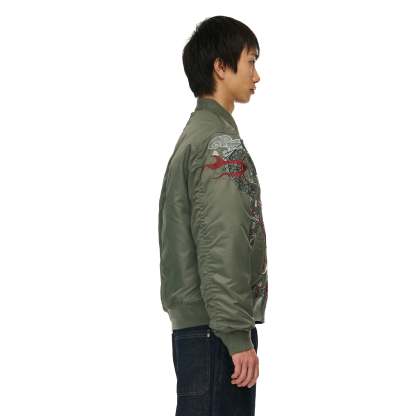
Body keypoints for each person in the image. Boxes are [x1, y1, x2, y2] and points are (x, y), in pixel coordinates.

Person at [158, 15, 268, 416]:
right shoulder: (218, 143)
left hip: (200, 330)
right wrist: (237, 336)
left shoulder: (195, 137)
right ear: (221, 66)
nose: (256, 75)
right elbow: (223, 240)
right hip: (216, 333)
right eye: (250, 61)